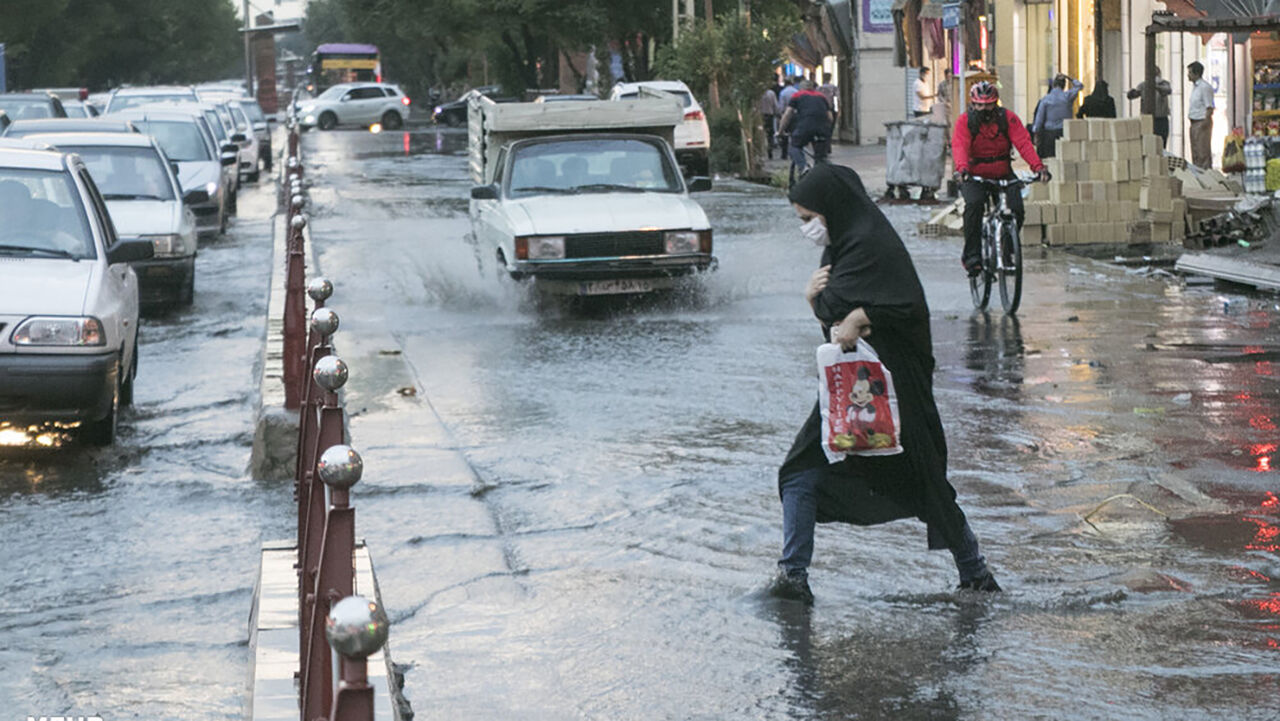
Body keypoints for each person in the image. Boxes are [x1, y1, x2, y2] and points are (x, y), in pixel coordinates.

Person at [768, 162, 1002, 606]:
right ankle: (792, 576)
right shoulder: (839, 252)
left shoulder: (876, 245)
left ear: (831, 209)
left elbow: (907, 305)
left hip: (899, 394)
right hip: (849, 394)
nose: (807, 229)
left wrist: (862, 315)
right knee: (799, 472)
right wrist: (815, 300)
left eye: (807, 219)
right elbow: (834, 326)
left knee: (926, 482)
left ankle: (975, 573)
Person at [952, 81, 1048, 277]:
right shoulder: (965, 121)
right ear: (973, 104)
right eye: (979, 105)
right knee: (974, 206)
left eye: (988, 105)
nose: (983, 109)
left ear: (996, 104)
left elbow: (1023, 143)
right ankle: (972, 258)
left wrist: (1038, 167)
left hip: (1003, 172)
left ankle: (1006, 250)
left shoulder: (1007, 118)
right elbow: (960, 146)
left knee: (1017, 210)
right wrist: (962, 169)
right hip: (974, 174)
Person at [779, 79, 834, 186]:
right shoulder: (821, 97)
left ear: (801, 87)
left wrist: (780, 131)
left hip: (805, 126)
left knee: (794, 146)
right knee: (821, 157)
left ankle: (803, 167)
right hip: (822, 128)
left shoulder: (797, 95)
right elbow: (830, 117)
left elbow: (787, 115)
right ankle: (822, 177)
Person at [1031, 74, 1084, 158]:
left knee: (1050, 160)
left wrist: (1036, 134)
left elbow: (1039, 119)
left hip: (1049, 134)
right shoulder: (1068, 96)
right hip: (1064, 133)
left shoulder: (1046, 99)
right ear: (1064, 85)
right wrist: (1069, 77)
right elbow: (1080, 86)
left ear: (1053, 85)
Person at [1126, 68, 1172, 149]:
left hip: (1161, 118)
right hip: (1148, 119)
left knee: (1161, 145)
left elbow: (1168, 90)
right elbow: (1132, 95)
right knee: (1148, 146)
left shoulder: (1164, 84)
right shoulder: (1143, 85)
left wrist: (1155, 86)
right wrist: (1134, 92)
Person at [1187, 61, 1215, 170]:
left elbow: (1209, 107)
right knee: (1196, 151)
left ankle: (1206, 174)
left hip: (1201, 121)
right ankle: (1198, 173)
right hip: (1194, 122)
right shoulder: (1195, 87)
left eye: (1190, 72)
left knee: (1203, 151)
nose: (1188, 75)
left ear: (1196, 73)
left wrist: (1205, 122)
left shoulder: (1204, 87)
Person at [760, 84, 779, 160]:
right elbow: (775, 105)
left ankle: (761, 151)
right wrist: (777, 113)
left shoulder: (758, 94)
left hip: (760, 116)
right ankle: (770, 151)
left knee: (761, 134)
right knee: (770, 135)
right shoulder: (771, 93)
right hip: (769, 116)